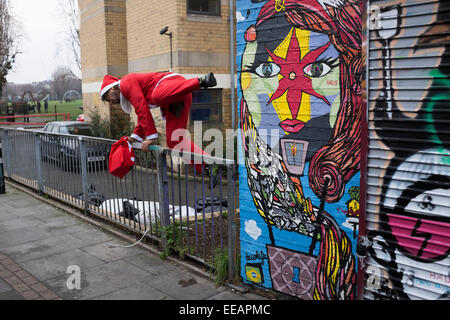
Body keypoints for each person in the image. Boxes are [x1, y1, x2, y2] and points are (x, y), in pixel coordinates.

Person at [100, 72, 219, 181]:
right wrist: (135, 137)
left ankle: (201, 81)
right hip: (178, 100)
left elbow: (142, 109)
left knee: (156, 96)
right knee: (174, 141)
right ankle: (209, 165)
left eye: (108, 98)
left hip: (175, 86)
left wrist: (150, 137)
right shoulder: (128, 90)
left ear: (113, 87)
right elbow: (142, 113)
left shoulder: (126, 83)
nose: (111, 102)